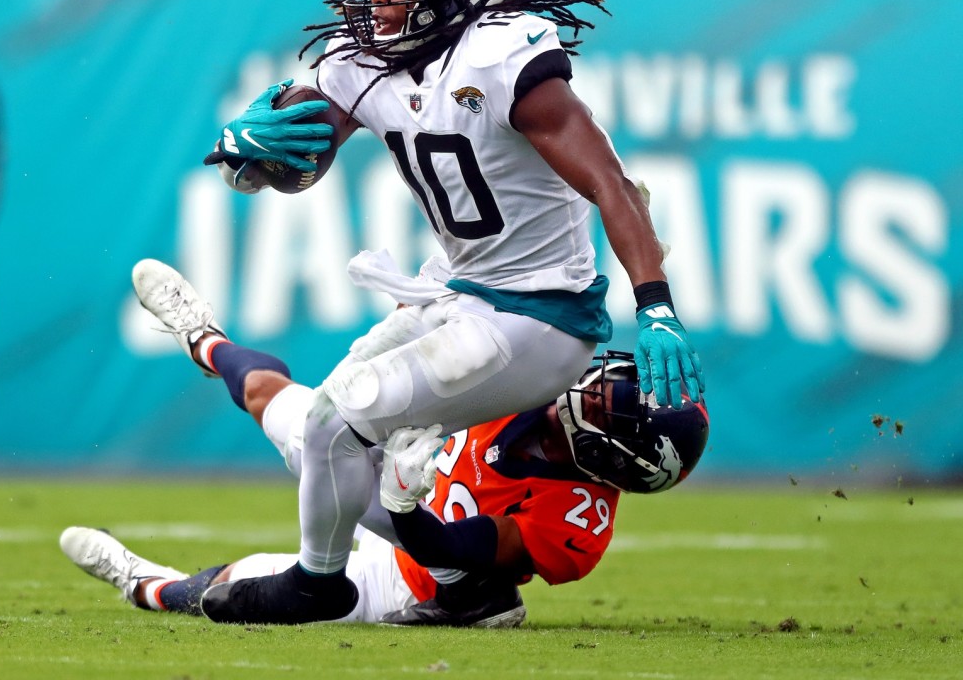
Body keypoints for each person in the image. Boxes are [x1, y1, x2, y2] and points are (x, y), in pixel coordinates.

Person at [197, 0, 706, 623]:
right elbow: (303, 152)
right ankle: (463, 586)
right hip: (459, 294)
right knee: (322, 439)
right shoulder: (364, 59)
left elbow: (611, 184)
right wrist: (253, 157)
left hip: (540, 321)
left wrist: (654, 305)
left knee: (337, 420)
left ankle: (318, 583)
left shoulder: (503, 58)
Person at [59, 260, 709, 626]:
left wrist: (401, 504)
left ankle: (146, 584)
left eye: (606, 403)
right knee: (272, 397)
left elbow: (454, 548)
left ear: (611, 454)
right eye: (612, 381)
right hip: (397, 461)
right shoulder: (542, 376)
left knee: (226, 592)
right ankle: (204, 339)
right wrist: (421, 318)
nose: (594, 385)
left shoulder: (575, 525)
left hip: (417, 576)